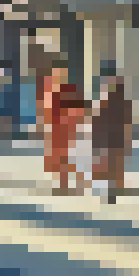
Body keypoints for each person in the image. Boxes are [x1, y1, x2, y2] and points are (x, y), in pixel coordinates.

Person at [44, 66, 88, 196]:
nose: (56, 77)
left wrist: (72, 119)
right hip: (55, 127)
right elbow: (46, 110)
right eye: (54, 74)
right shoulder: (49, 90)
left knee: (71, 155)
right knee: (57, 157)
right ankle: (62, 184)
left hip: (69, 127)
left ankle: (76, 183)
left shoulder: (70, 90)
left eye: (59, 74)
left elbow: (79, 109)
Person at [92, 74, 133, 203]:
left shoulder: (106, 103)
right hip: (115, 139)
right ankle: (113, 190)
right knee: (115, 165)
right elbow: (126, 123)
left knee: (111, 165)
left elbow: (99, 122)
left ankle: (111, 191)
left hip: (109, 139)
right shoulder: (124, 104)